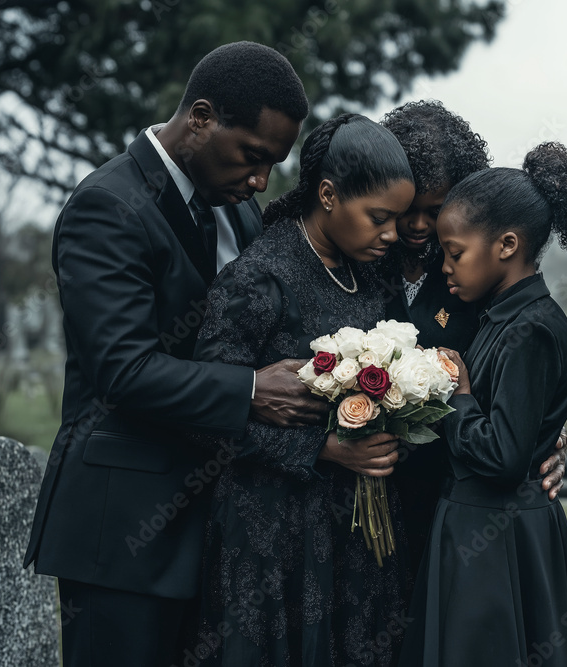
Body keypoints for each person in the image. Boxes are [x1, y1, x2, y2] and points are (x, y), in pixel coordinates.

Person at [23, 42, 327, 667]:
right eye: (252, 156)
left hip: (215, 528)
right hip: (121, 533)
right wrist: (249, 390)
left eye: (273, 164)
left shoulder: (238, 209)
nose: (260, 182)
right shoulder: (107, 206)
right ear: (201, 118)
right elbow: (122, 369)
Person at [192, 113, 416, 666]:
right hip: (272, 534)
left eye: (397, 220)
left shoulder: (377, 275)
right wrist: (326, 448)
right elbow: (205, 417)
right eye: (379, 218)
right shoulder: (260, 278)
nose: (391, 234)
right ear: (328, 194)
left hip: (360, 535)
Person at [399, 142, 567, 667]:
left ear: (506, 244)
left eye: (454, 252)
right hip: (475, 523)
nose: (444, 267)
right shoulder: (500, 317)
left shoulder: (529, 329)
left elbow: (506, 458)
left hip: (498, 536)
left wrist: (458, 397)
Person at [379, 100, 567, 573]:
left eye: (435, 209)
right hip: (363, 490)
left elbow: (519, 366)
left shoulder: (478, 276)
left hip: (455, 495)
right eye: (408, 208)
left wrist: (544, 436)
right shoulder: (361, 257)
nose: (420, 225)